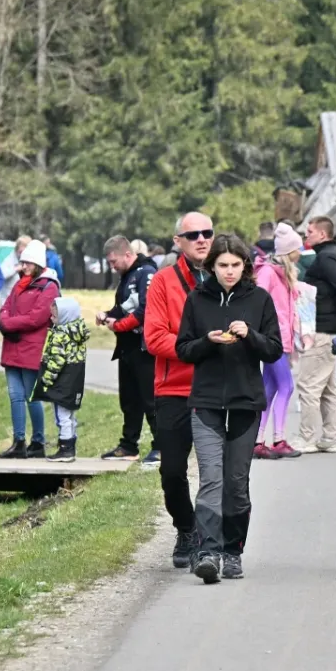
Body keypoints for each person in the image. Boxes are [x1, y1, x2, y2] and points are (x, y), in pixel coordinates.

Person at [175, 234, 283, 583]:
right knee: (211, 478)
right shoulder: (197, 299)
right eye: (223, 265)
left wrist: (250, 334)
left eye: (236, 265)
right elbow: (183, 349)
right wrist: (207, 341)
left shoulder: (260, 299)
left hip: (245, 402)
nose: (230, 271)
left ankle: (232, 551)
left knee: (236, 482)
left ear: (245, 266)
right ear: (212, 267)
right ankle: (208, 552)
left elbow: (274, 350)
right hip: (205, 401)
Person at [143, 212, 214, 569]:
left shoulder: (226, 276)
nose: (202, 239)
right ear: (178, 241)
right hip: (174, 388)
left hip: (217, 388)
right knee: (171, 471)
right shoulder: (162, 281)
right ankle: (186, 528)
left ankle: (212, 537)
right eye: (193, 234)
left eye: (207, 233)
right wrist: (200, 347)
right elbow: (154, 338)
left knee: (218, 472)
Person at [0, 239, 61, 459]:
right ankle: (19, 441)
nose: (23, 266)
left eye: (27, 263)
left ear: (38, 264)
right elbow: (5, 307)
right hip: (12, 346)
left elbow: (37, 318)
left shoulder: (49, 287)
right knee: (15, 396)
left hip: (32, 348)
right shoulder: (19, 284)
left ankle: (38, 442)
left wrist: (8, 323)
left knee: (32, 396)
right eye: (22, 262)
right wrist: (5, 320)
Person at [97, 235, 158, 464]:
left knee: (150, 400)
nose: (112, 267)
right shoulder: (126, 276)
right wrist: (107, 314)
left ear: (128, 254)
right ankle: (128, 445)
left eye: (114, 261)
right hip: (126, 347)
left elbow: (146, 309)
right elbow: (122, 308)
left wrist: (119, 325)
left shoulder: (146, 273)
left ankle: (161, 446)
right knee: (129, 400)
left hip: (144, 347)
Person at [297, 216, 336, 453]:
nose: (306, 235)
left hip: (322, 328)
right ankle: (330, 438)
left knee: (308, 385)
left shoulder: (326, 256)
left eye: (310, 231)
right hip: (331, 327)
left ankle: (307, 438)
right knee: (329, 389)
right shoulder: (335, 253)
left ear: (322, 234)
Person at [253, 223, 304, 459]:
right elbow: (258, 300)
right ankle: (278, 439)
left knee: (270, 388)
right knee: (286, 386)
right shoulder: (268, 273)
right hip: (273, 338)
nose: (300, 252)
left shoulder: (281, 273)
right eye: (297, 248)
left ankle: (258, 440)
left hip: (279, 337)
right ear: (288, 250)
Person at [33, 297, 89, 462]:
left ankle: (65, 449)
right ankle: (71, 445)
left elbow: (56, 361)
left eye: (54, 316)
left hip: (61, 382)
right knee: (70, 414)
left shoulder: (60, 334)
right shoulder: (78, 333)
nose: (51, 319)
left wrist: (46, 380)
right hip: (75, 380)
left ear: (65, 317)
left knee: (61, 416)